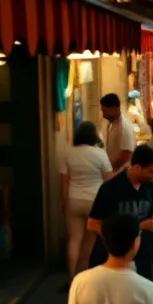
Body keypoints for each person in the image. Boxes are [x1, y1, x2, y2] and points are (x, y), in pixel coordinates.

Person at [87, 145, 153, 280]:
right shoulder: (110, 189)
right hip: (111, 259)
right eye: (151, 171)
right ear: (137, 167)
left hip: (142, 257)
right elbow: (92, 223)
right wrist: (113, 239)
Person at [62, 121, 115, 282]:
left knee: (74, 240)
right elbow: (108, 180)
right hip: (94, 201)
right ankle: (82, 277)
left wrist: (63, 203)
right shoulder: (100, 154)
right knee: (88, 242)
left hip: (74, 200)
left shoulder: (69, 154)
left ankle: (71, 277)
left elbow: (64, 181)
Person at [101, 93, 136, 173]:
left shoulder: (124, 126)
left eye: (104, 111)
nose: (103, 114)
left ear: (114, 108)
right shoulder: (110, 124)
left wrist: (113, 169)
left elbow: (127, 153)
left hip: (120, 172)